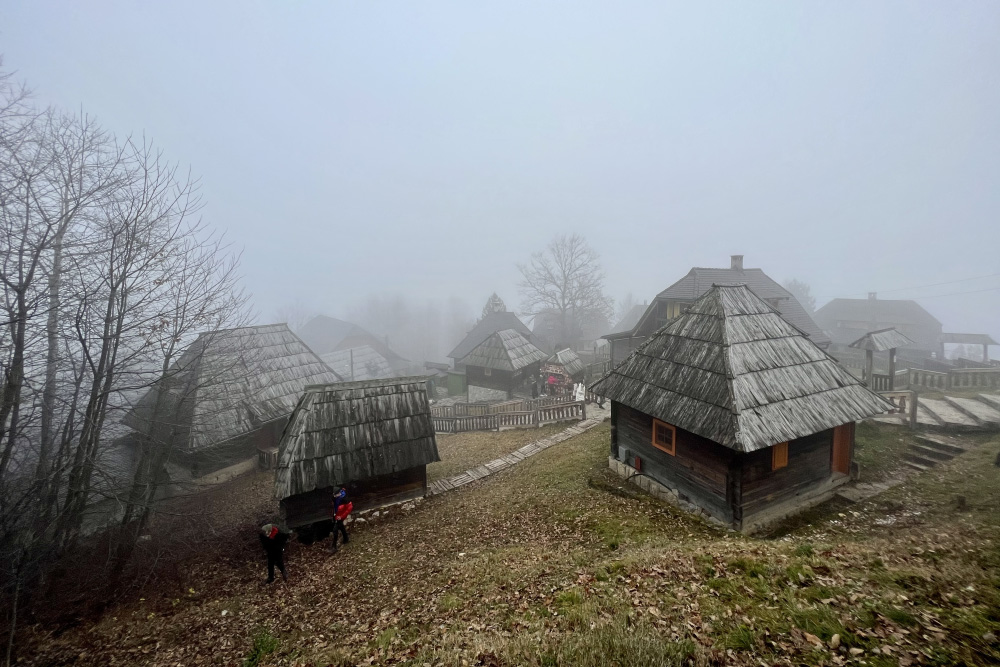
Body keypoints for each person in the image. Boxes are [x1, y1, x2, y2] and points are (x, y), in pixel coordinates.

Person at [329, 486, 353, 552]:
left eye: (336, 495)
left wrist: (342, 516)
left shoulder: (345, 499)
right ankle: (346, 539)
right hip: (336, 515)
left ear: (339, 493)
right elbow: (333, 506)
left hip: (340, 516)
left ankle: (334, 546)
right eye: (334, 495)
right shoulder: (334, 497)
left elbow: (349, 508)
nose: (335, 496)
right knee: (341, 527)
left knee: (335, 530)